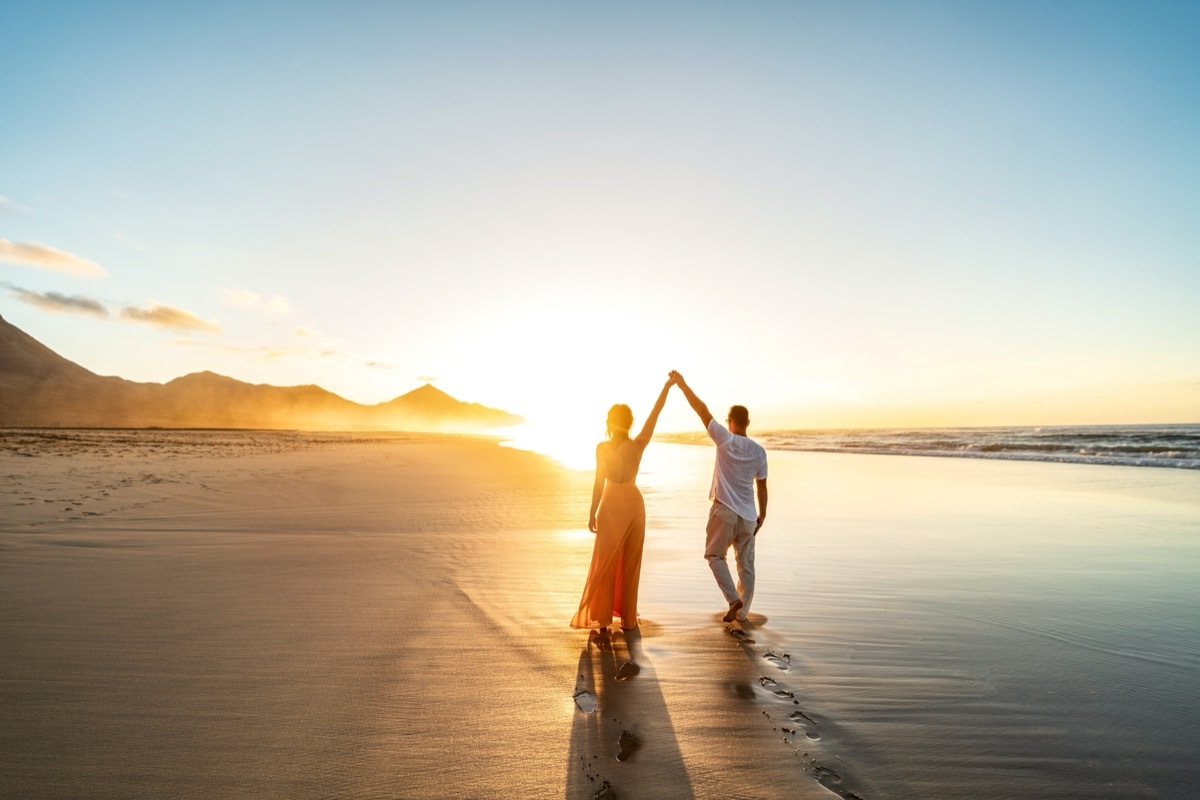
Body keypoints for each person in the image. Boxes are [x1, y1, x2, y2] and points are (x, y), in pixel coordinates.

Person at [571, 376, 674, 632]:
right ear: (629, 423)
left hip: (609, 503)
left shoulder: (601, 448)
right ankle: (628, 621)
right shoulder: (637, 444)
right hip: (633, 504)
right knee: (631, 563)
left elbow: (598, 483)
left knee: (605, 562)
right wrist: (667, 387)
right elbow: (655, 414)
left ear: (609, 422)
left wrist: (591, 513)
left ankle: (603, 622)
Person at [669, 370, 768, 623]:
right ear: (747, 422)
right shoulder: (759, 452)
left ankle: (734, 599)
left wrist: (682, 384)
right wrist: (762, 514)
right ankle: (742, 613)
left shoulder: (724, 439)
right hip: (748, 516)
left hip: (723, 510)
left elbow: (701, 410)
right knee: (746, 565)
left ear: (731, 421)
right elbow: (762, 487)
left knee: (715, 556)